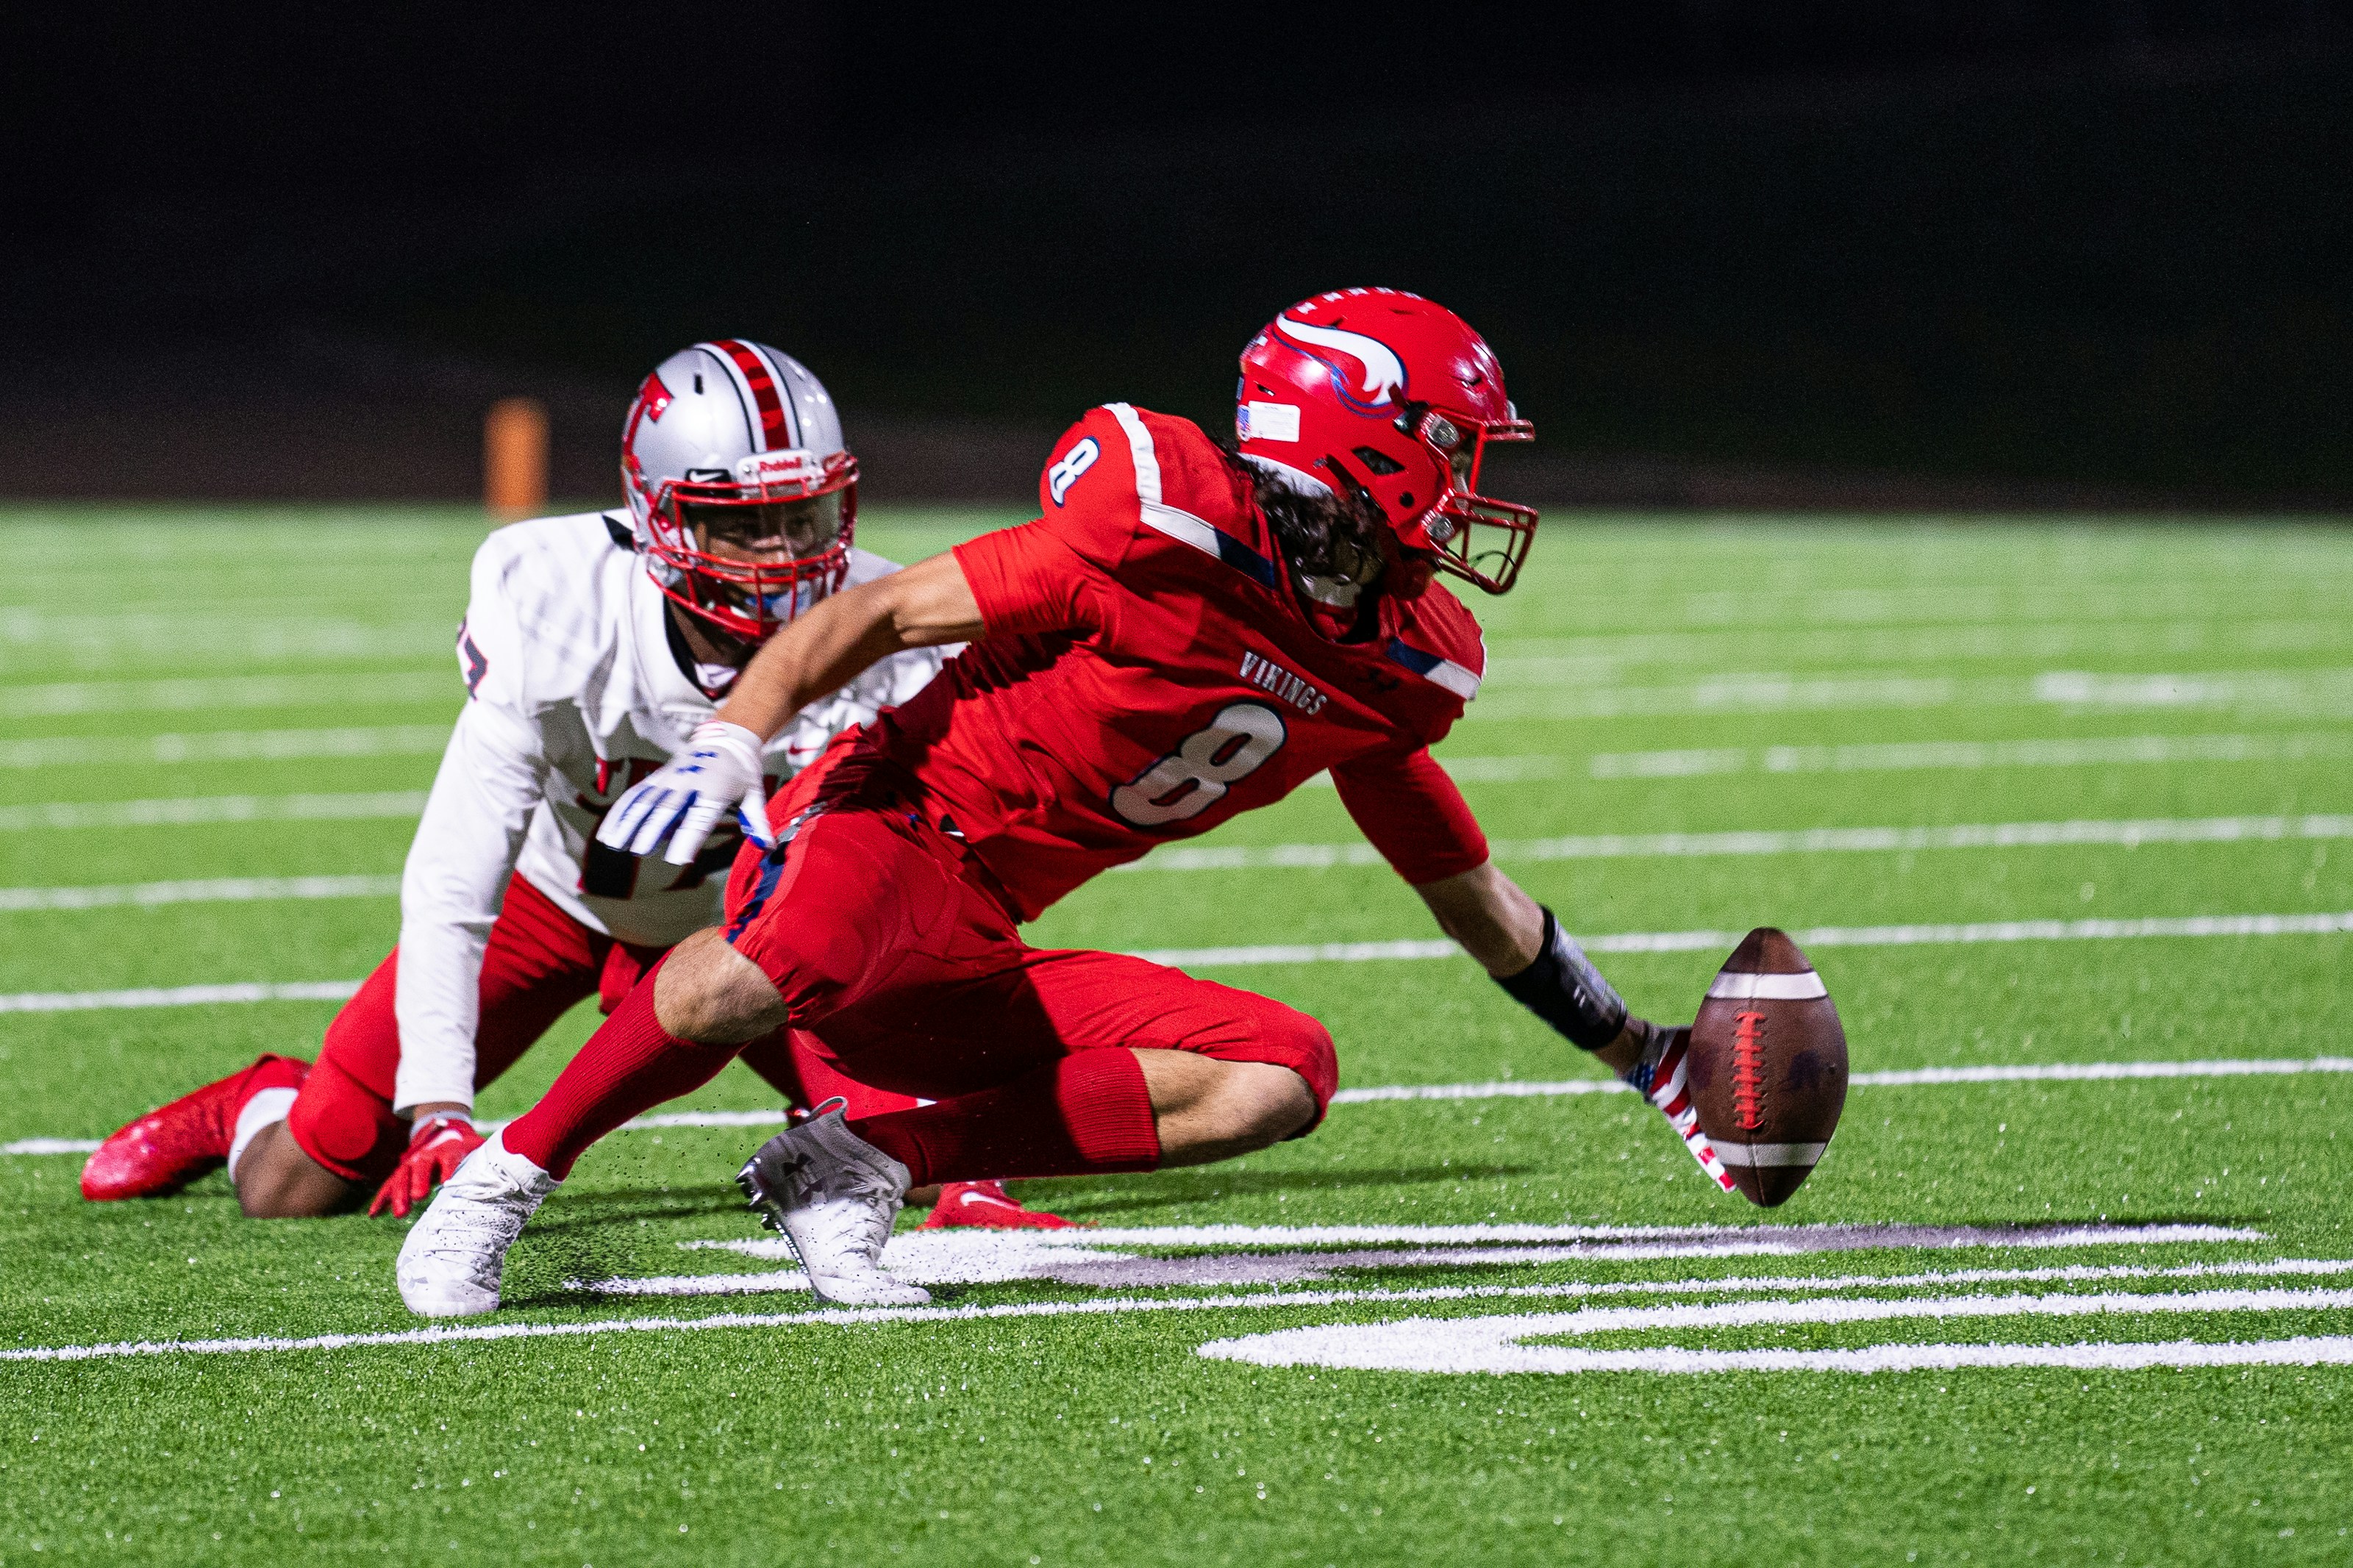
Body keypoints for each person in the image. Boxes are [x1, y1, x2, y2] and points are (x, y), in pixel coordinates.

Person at [396, 290, 1732, 1317]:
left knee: (1280, 1075)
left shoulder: (1402, 662)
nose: (1474, 486)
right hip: (887, 822)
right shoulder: (1158, 516)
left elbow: (1465, 886)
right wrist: (736, 746)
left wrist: (1637, 1051)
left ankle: (856, 1164)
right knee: (781, 957)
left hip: (977, 935)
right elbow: (884, 609)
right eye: (1454, 448)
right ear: (1365, 453)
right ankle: (504, 1176)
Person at [80, 339, 1073, 1231]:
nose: (784, 559)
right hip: (555, 901)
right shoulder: (556, 602)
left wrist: (964, 1147)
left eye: (803, 517)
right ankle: (256, 1097)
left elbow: (923, 884)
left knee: (914, 1146)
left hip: (747, 940)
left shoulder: (884, 628)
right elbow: (455, 875)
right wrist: (438, 1112)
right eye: (745, 526)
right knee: (295, 1185)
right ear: (662, 519)